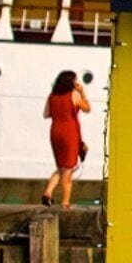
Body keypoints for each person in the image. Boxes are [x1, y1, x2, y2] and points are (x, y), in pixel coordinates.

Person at [43, 69, 89, 208]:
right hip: (70, 132)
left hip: (55, 131)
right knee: (68, 169)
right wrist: (82, 92)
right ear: (71, 82)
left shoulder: (51, 96)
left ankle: (48, 192)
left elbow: (46, 114)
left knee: (61, 167)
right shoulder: (73, 95)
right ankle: (65, 202)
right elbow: (87, 108)